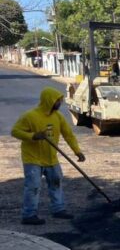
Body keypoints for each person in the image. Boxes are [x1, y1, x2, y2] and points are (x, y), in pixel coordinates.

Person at [11, 87, 86, 225]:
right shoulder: (30, 116)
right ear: (49, 101)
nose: (60, 103)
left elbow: (68, 135)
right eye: (58, 101)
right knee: (33, 186)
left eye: (60, 101)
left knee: (56, 182)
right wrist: (33, 136)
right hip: (32, 159)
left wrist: (77, 151)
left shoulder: (58, 117)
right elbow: (15, 131)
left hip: (51, 158)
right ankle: (28, 215)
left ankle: (59, 209)